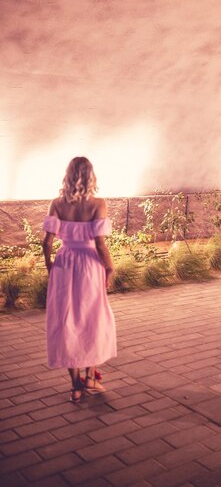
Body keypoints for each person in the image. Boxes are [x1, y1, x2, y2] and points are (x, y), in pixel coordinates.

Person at [42, 156, 117, 402]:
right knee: (91, 318)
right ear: (90, 176)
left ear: (68, 175)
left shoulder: (57, 204)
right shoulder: (98, 204)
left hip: (64, 263)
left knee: (66, 322)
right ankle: (92, 379)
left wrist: (50, 264)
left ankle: (75, 386)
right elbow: (100, 242)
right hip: (89, 264)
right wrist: (109, 267)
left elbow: (47, 241)